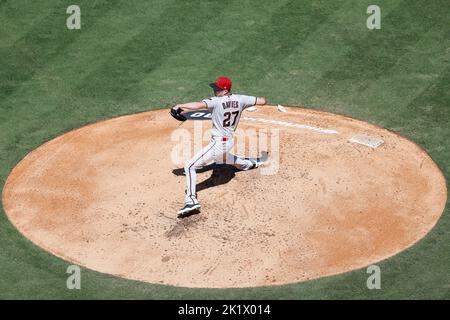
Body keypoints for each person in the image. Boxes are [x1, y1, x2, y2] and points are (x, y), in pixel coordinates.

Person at [172, 76, 267, 217]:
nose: (215, 90)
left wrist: (180, 105)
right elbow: (263, 101)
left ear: (224, 90)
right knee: (222, 158)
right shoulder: (241, 99)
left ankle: (191, 201)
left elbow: (198, 105)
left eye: (217, 89)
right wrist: (246, 101)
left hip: (219, 143)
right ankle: (248, 164)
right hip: (228, 141)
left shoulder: (215, 102)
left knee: (190, 166)